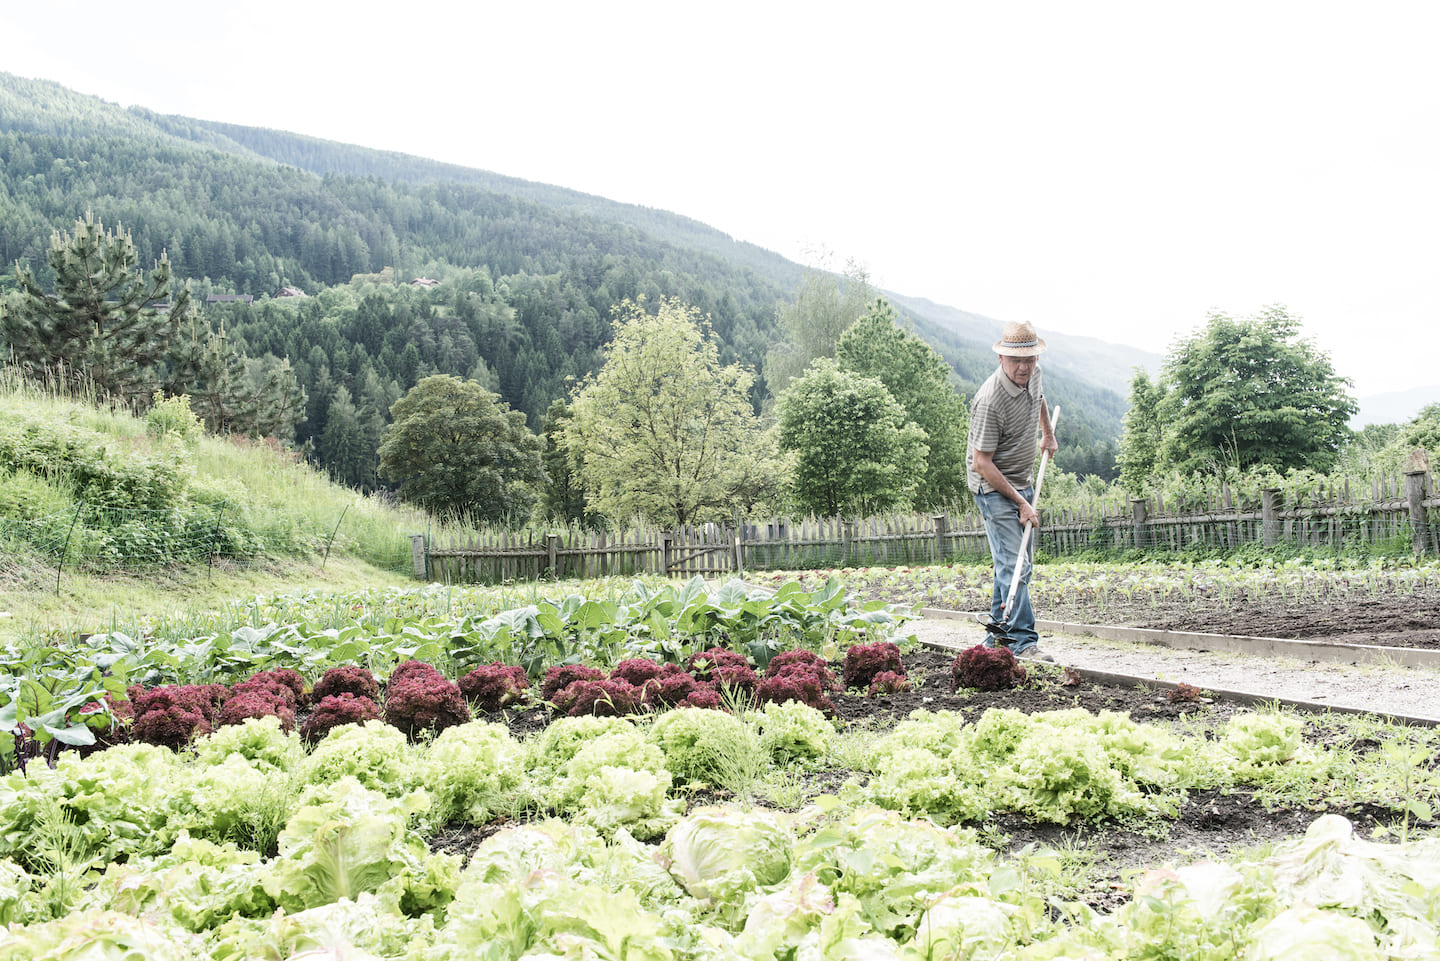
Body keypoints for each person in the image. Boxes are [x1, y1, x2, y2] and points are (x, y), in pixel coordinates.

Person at [966, 319, 1059, 661]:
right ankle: (1023, 643)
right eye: (1016, 360)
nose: (1024, 367)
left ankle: (995, 638)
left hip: (1021, 479)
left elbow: (1040, 400)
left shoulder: (1033, 373)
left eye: (1030, 359)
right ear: (1001, 358)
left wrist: (1047, 434)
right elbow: (981, 463)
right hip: (993, 486)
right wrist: (1021, 502)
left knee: (1013, 563)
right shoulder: (989, 401)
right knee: (1015, 563)